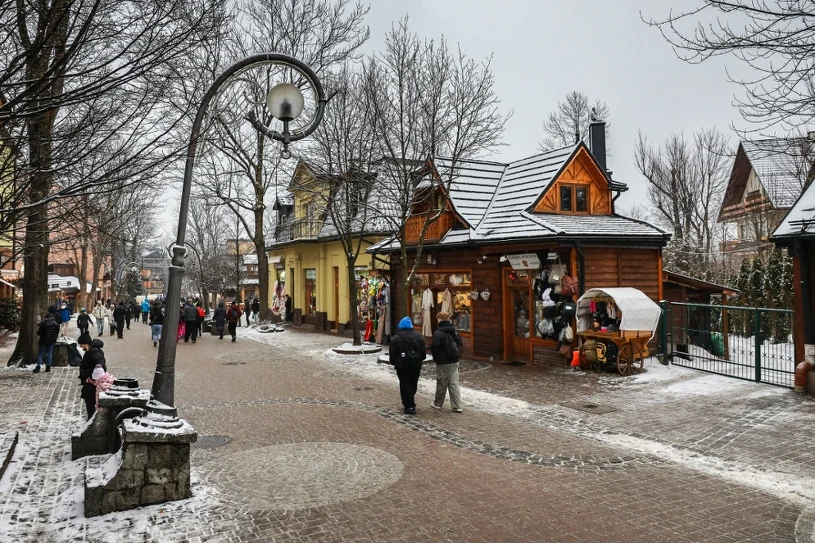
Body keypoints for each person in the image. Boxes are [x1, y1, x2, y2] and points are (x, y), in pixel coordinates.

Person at [388, 316, 426, 415]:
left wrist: (394, 362)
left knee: (405, 384)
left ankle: (409, 405)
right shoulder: (419, 338)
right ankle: (410, 399)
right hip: (416, 365)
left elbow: (392, 355)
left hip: (402, 366)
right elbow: (423, 354)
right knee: (413, 382)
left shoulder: (396, 339)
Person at [430, 311, 464, 413]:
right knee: (454, 383)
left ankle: (437, 403)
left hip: (443, 362)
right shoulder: (454, 331)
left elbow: (435, 348)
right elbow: (460, 344)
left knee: (442, 382)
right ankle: (457, 405)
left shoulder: (438, 333)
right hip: (454, 361)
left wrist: (436, 359)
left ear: (439, 319)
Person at [77, 332, 107, 419]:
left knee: (91, 400)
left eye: (81, 344)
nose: (81, 346)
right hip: (90, 380)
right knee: (90, 400)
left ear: (85, 343)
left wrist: (89, 376)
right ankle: (92, 418)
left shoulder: (94, 352)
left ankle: (92, 419)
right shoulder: (90, 351)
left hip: (92, 381)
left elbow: (100, 367)